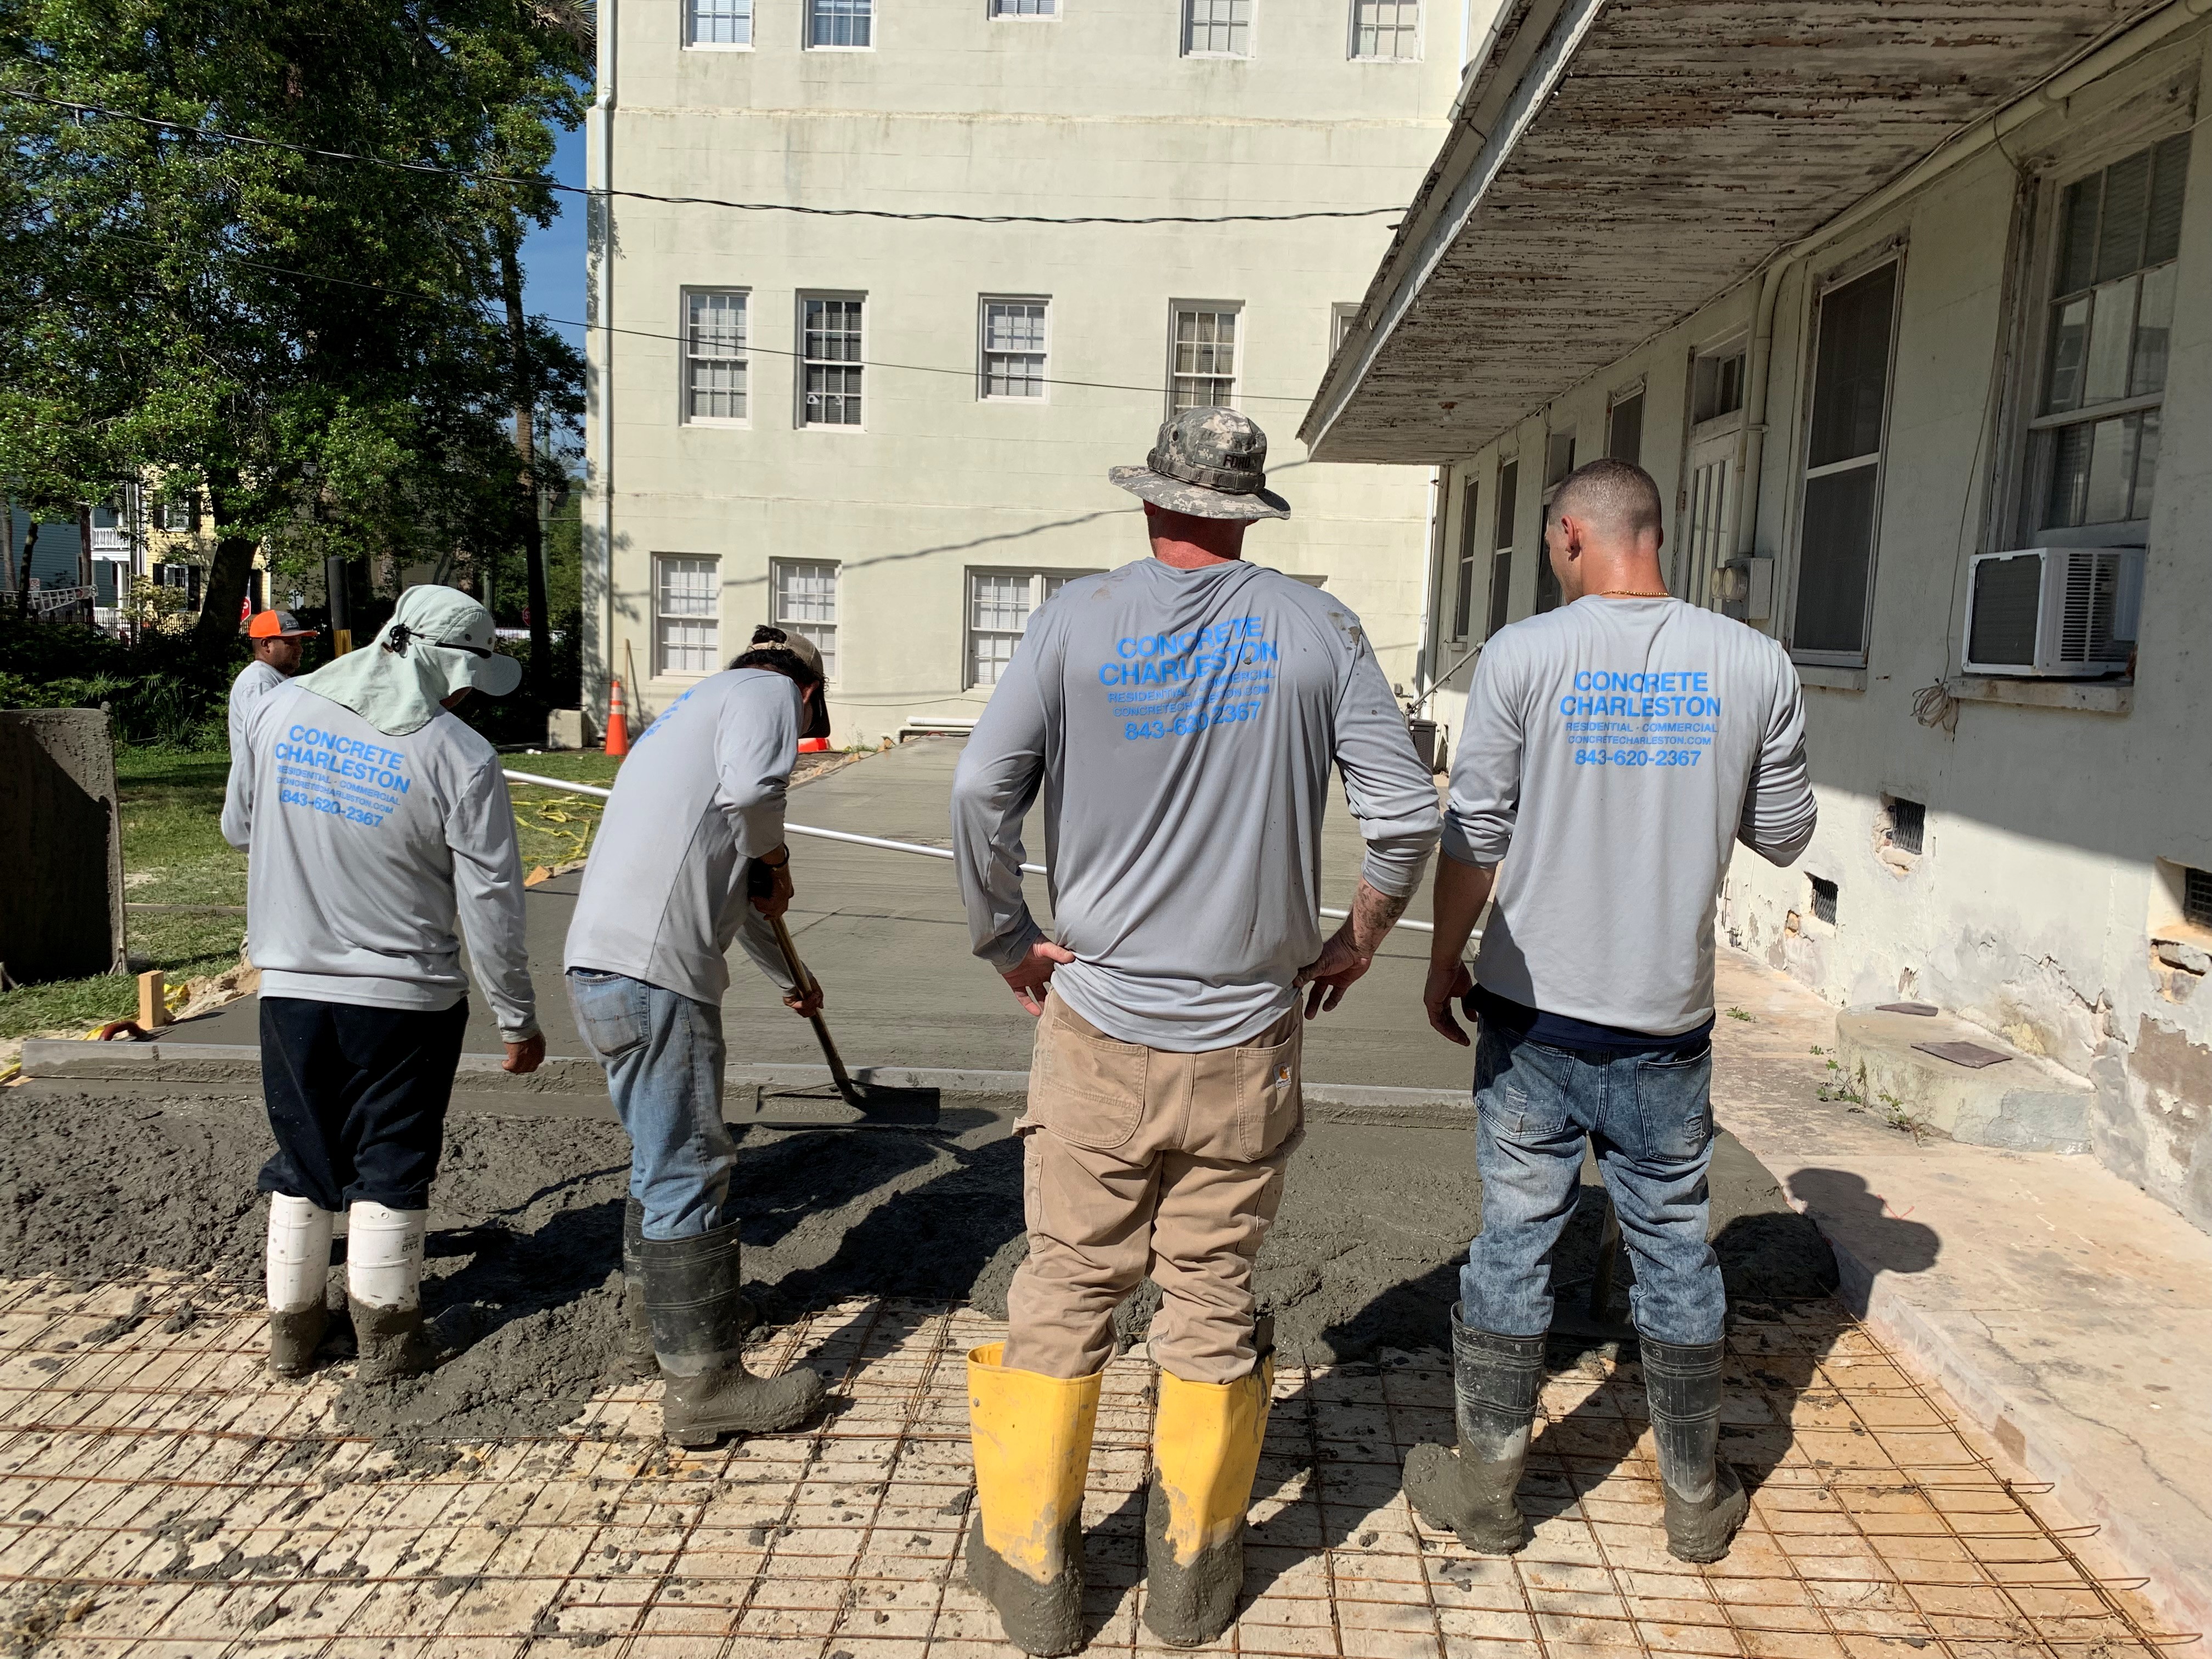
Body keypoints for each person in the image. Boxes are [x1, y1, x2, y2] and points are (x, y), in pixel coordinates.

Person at [950, 407, 1442, 1655]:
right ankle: (1190, 1581)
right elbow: (1403, 819)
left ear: (1154, 502)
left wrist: (1008, 935)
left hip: (1099, 1021)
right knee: (1211, 1294)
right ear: (1244, 511)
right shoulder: (1318, 628)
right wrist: (1360, 940)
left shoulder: (1072, 622)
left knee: (1067, 1281)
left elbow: (978, 790)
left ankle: (1034, 1578)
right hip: (1246, 1037)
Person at [1407, 459, 1816, 1565]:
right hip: (1665, 1023)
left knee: (1514, 1240)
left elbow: (1475, 832)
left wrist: (1445, 961)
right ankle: (1695, 1499)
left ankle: (1488, 1490)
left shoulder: (1522, 656)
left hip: (1533, 1016)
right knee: (1677, 1245)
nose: (1554, 559)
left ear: (1577, 537)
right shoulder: (1754, 663)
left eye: (1551, 543)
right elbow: (1784, 835)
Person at [222, 584, 545, 1384]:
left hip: (290, 983)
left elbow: (239, 827)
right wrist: (517, 1018)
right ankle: (390, 1340)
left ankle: (294, 1335)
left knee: (304, 1152)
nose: (470, 695)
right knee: (391, 1158)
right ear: (441, 659)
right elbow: (492, 902)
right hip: (405, 997)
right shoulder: (459, 756)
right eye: (469, 676)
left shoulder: (279, 712)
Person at [562, 624, 838, 1448]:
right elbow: (757, 796)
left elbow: (744, 888)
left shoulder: (690, 716)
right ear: (810, 691)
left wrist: (792, 977)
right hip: (657, 977)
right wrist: (777, 851)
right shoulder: (768, 695)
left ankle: (661, 1334)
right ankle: (705, 1388)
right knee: (688, 1164)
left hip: (602, 969)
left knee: (660, 1155)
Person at [229, 609, 319, 757]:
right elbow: (270, 741)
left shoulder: (274, 677)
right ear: (267, 645)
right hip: (261, 779)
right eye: (291, 643)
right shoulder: (259, 682)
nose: (300, 649)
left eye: (299, 642)